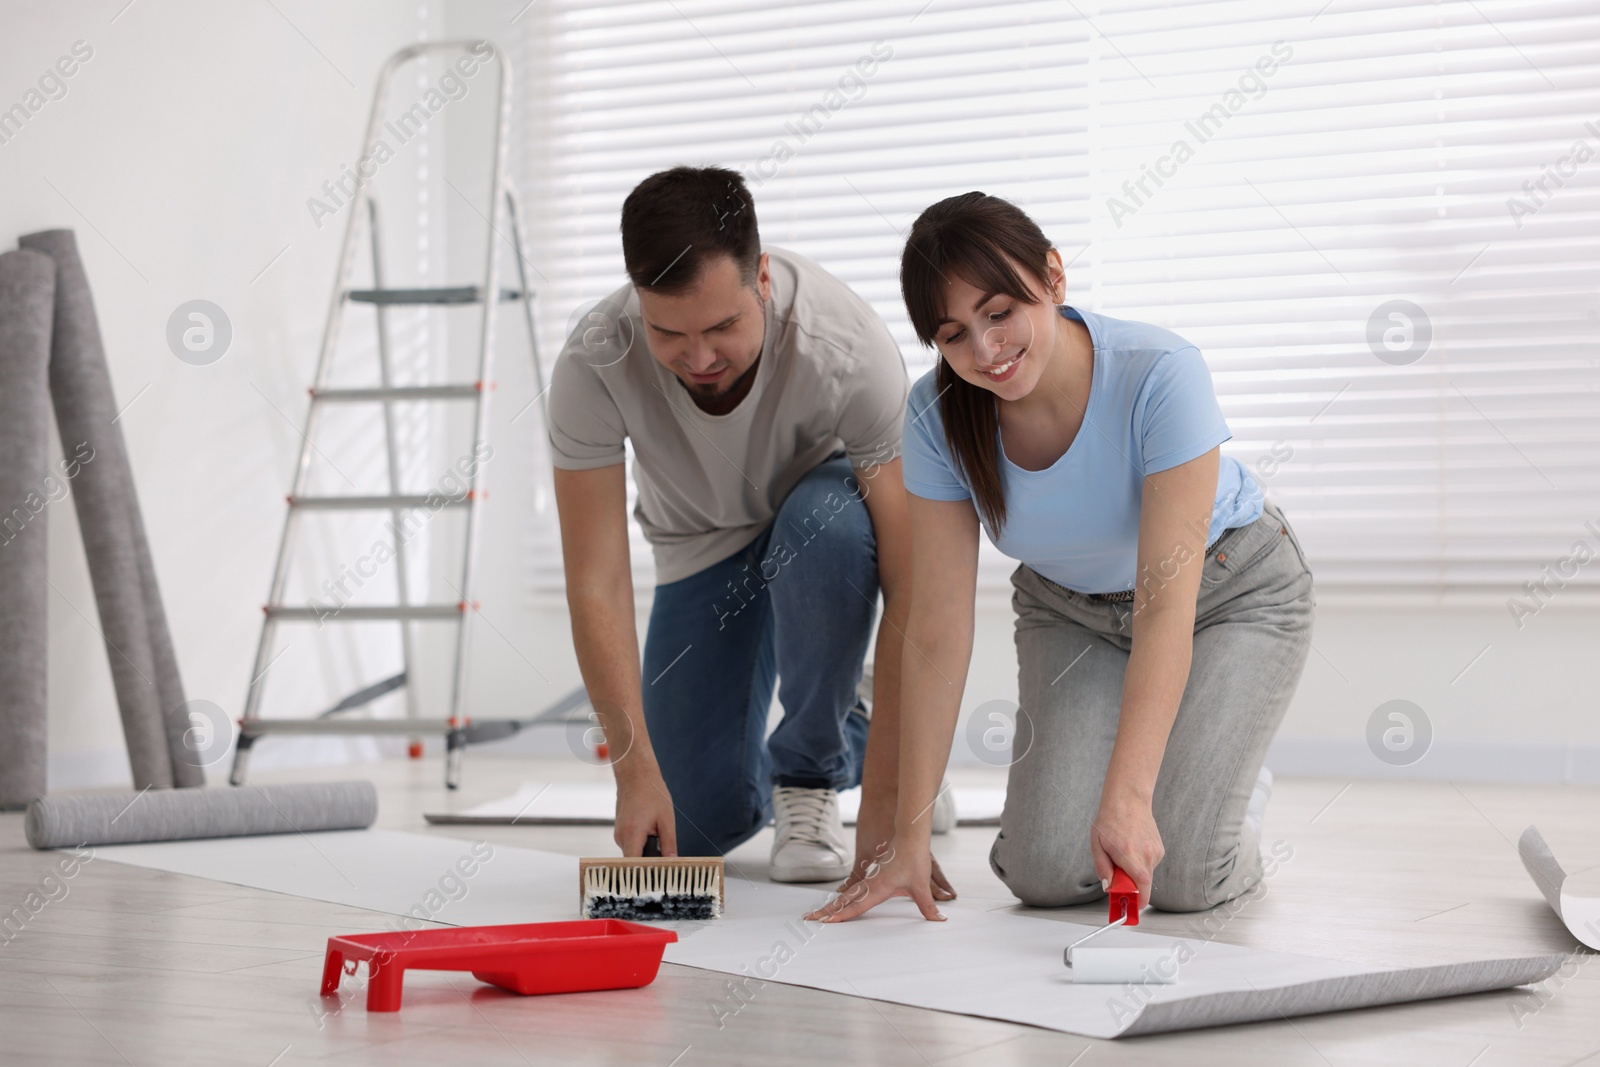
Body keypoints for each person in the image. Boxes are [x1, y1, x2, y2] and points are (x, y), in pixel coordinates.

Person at [814, 192, 1313, 921]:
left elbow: (1165, 602)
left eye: (1000, 312)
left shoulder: (1160, 372)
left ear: (1052, 276)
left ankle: (1222, 794)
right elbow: (936, 630)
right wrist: (908, 835)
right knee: (1042, 874)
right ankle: (1177, 784)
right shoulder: (935, 416)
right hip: (1070, 610)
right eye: (954, 335)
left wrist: (1131, 797)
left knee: (1183, 879)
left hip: (1229, 592)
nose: (985, 351)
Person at [548, 166, 951, 895]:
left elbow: (912, 579)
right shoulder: (594, 360)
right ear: (638, 299)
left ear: (761, 277)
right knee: (694, 823)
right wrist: (634, 773)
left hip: (820, 524)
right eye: (669, 332)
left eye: (722, 327)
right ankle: (851, 719)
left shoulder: (847, 346)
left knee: (819, 527)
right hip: (703, 545)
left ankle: (812, 773)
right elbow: (597, 581)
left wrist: (900, 797)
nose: (699, 359)